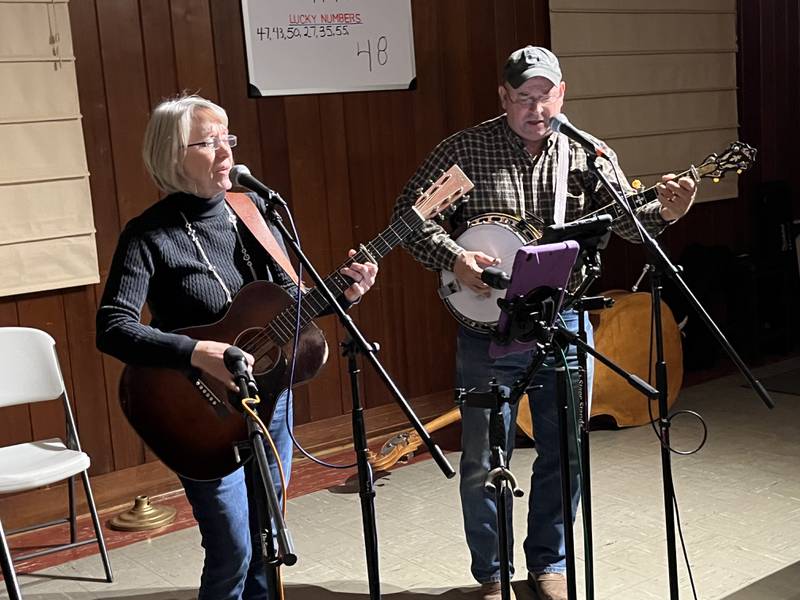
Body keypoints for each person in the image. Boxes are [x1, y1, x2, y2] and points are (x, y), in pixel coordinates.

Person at [392, 46, 695, 600]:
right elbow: (408, 219)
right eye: (523, 97)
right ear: (504, 96)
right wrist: (455, 258)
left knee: (566, 448)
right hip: (489, 327)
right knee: (486, 453)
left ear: (563, 94)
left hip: (564, 320)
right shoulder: (465, 152)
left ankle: (548, 564)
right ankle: (492, 575)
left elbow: (630, 221)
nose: (536, 107)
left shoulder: (588, 155)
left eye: (545, 95)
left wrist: (668, 212)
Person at [96, 94, 378, 600]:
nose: (226, 150)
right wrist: (195, 351)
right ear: (172, 155)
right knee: (232, 550)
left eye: (228, 137)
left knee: (269, 542)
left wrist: (343, 294)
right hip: (194, 411)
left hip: (267, 402)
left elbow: (288, 307)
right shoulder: (147, 235)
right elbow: (112, 326)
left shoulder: (252, 214)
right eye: (209, 141)